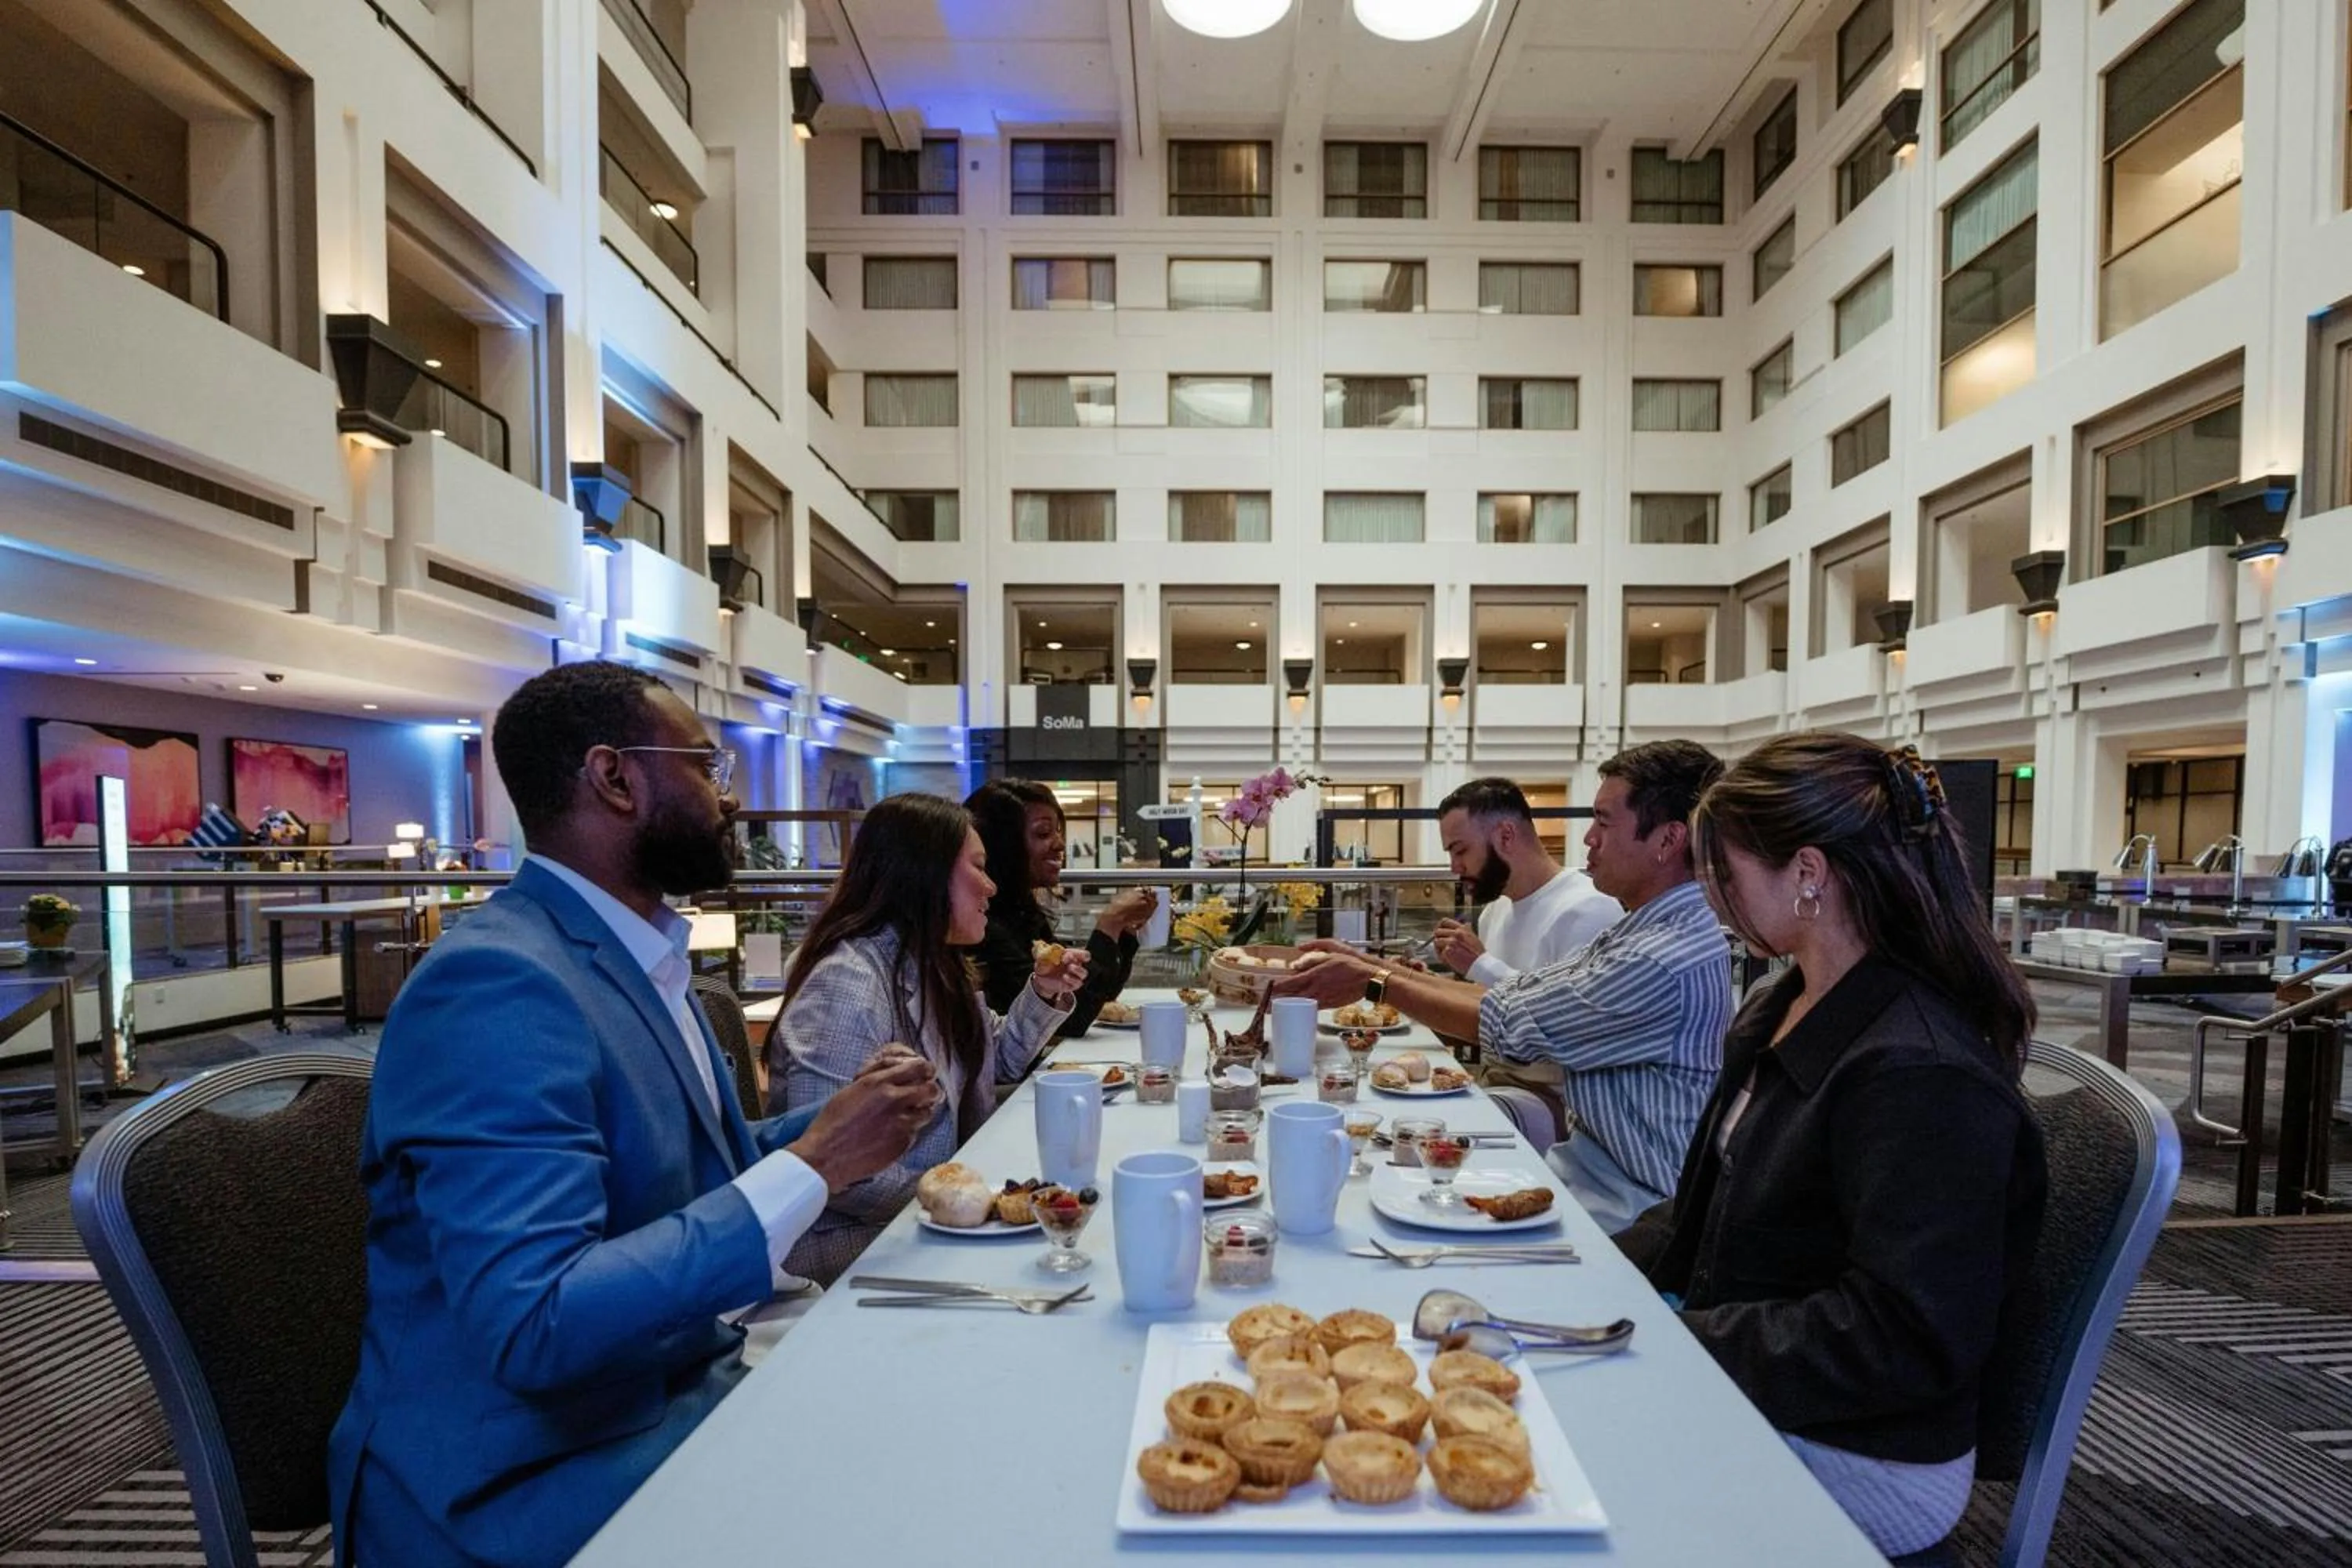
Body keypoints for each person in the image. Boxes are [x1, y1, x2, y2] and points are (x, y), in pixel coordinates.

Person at [330, 661, 945, 1568]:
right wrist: (813, 1163)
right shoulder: (498, 983)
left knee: (941, 1406)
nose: (729, 800)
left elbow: (669, 1159)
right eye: (707, 766)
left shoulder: (633, 950)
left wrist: (834, 1136)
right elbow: (535, 1319)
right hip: (525, 1478)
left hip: (661, 1389)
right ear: (615, 778)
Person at [1624, 734, 2047, 1559]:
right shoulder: (1790, 1001)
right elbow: (1706, 1210)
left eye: (1728, 872)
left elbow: (1904, 1334)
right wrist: (1588, 1277)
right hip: (1767, 1372)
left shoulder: (1919, 1068)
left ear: (1809, 873)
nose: (1713, 895)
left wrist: (1668, 1339)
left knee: (1544, 1453)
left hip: (1871, 1449)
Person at [1275, 741, 1730, 1230]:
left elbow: (1511, 1025)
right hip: (1585, 1172)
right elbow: (1515, 998)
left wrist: (1373, 981)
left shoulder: (1657, 955)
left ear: (1668, 839)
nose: (1588, 840)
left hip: (1632, 1211)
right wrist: (1369, 968)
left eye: (1603, 821)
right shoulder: (1641, 930)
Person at [769, 790, 1087, 1282]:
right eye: (978, 868)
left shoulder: (934, 963)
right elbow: (836, 1167)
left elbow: (996, 1060)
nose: (991, 887)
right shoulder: (847, 984)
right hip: (844, 1239)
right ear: (927, 875)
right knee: (1042, 1259)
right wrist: (969, 1204)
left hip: (925, 1211)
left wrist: (1042, 992)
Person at [964, 778, 1158, 1040]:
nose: (1059, 844)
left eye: (1058, 832)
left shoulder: (1021, 910)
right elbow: (1069, 1019)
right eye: (1044, 834)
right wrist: (1109, 924)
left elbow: (1093, 995)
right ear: (1002, 845)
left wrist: (1122, 930)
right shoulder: (981, 925)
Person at [1430, 776, 1621, 982]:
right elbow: (1486, 1005)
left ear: (1506, 836)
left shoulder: (1590, 910)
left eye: (1461, 850)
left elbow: (1569, 1010)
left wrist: (1480, 964)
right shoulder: (1494, 911)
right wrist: (1420, 980)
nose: (1455, 866)